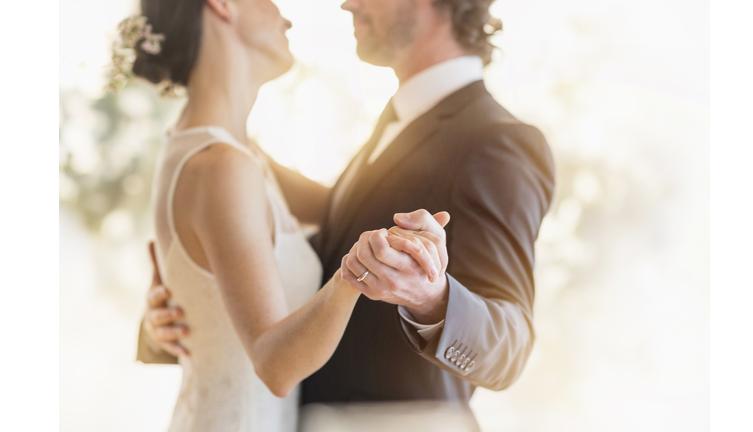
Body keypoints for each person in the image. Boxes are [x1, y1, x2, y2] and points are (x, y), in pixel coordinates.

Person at [141, 0, 554, 418]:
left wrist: (434, 299)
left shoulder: (498, 143)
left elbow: (511, 347)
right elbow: (285, 250)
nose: (347, 3)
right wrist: (186, 307)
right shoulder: (381, 131)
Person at [121, 0, 447, 430]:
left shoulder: (233, 154)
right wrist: (353, 276)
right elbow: (276, 366)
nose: (286, 16)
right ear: (222, 6)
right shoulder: (222, 166)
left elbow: (344, 212)